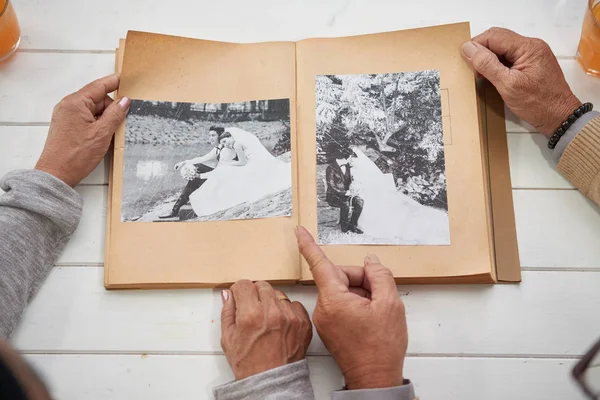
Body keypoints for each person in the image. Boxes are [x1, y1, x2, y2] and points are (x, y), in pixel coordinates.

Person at [0, 26, 599, 400]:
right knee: (211, 188)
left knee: (236, 188)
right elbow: (222, 158)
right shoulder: (226, 143)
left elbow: (238, 158)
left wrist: (53, 169)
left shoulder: (259, 145)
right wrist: (371, 376)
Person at [347, 147, 450, 244]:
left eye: (351, 158)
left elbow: (367, 181)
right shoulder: (351, 168)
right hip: (361, 192)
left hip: (366, 192)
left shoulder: (360, 167)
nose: (350, 161)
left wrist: (357, 188)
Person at [189, 127, 292, 218]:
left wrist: (230, 164)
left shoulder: (237, 145)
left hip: (254, 162)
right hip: (256, 160)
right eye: (223, 144)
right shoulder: (238, 143)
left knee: (228, 172)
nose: (226, 145)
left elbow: (242, 162)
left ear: (230, 137)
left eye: (225, 141)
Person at [158, 126, 237, 219]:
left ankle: (176, 209)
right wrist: (183, 162)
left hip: (226, 179)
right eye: (209, 135)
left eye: (213, 135)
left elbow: (219, 172)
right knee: (198, 167)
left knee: (197, 172)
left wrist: (199, 176)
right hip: (220, 175)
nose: (210, 138)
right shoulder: (217, 149)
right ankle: (177, 207)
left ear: (220, 136)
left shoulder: (226, 150)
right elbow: (202, 158)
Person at [325, 144, 364, 234]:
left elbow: (350, 180)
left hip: (347, 194)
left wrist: (354, 187)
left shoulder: (347, 166)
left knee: (360, 202)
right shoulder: (330, 168)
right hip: (334, 196)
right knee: (345, 204)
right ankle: (344, 228)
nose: (351, 160)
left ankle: (353, 225)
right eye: (350, 158)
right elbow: (332, 186)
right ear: (344, 158)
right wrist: (345, 192)